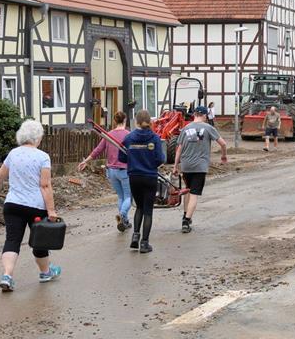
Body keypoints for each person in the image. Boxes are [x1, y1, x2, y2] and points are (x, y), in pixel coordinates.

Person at [0, 119, 60, 291]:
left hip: (13, 205)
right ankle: (45, 272)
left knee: (12, 240)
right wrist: (51, 210)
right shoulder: (43, 157)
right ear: (37, 138)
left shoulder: (13, 154)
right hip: (36, 206)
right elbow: (45, 185)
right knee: (39, 241)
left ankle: (7, 275)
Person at [172, 106, 227, 233]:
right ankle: (186, 221)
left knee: (187, 190)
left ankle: (185, 215)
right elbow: (223, 143)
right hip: (200, 166)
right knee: (194, 194)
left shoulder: (185, 129)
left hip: (186, 165)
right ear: (204, 115)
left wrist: (175, 166)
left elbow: (179, 149)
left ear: (195, 114)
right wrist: (223, 155)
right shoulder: (208, 128)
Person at [78, 111, 132, 232]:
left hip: (111, 171)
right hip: (124, 170)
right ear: (125, 120)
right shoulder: (129, 135)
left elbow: (98, 150)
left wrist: (86, 161)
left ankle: (125, 221)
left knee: (120, 196)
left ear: (114, 121)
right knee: (128, 197)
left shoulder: (109, 135)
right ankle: (122, 215)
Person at [122, 109, 166, 253]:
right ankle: (144, 243)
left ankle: (135, 236)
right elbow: (160, 159)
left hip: (134, 177)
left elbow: (122, 158)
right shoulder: (154, 138)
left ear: (136, 121)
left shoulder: (129, 138)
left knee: (139, 207)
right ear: (150, 121)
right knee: (148, 210)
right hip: (150, 177)